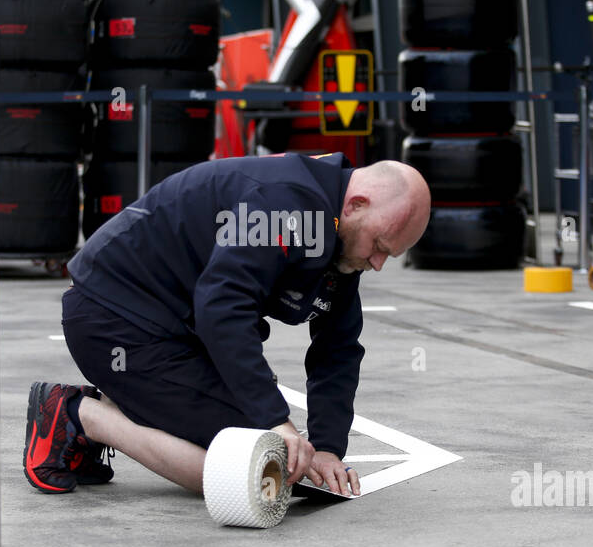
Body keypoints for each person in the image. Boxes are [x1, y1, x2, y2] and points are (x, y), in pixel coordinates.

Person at [22, 154, 431, 501]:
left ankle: (125, 400)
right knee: (249, 464)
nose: (378, 263)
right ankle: (79, 415)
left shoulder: (339, 231)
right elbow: (222, 308)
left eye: (389, 255)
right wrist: (275, 420)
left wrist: (326, 448)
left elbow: (337, 349)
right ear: (356, 204)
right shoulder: (288, 207)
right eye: (380, 246)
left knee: (278, 454)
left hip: (174, 330)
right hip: (113, 319)